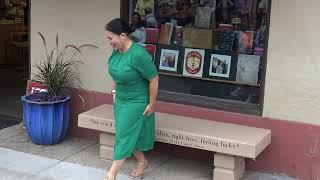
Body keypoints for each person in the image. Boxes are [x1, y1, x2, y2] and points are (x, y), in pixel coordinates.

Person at [104, 18, 159, 180]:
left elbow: (154, 79)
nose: (109, 42)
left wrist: (152, 103)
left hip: (137, 102)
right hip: (121, 100)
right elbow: (115, 72)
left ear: (122, 36)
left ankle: (111, 174)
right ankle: (142, 162)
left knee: (123, 136)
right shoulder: (117, 51)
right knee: (128, 134)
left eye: (110, 38)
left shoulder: (138, 55)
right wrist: (114, 92)